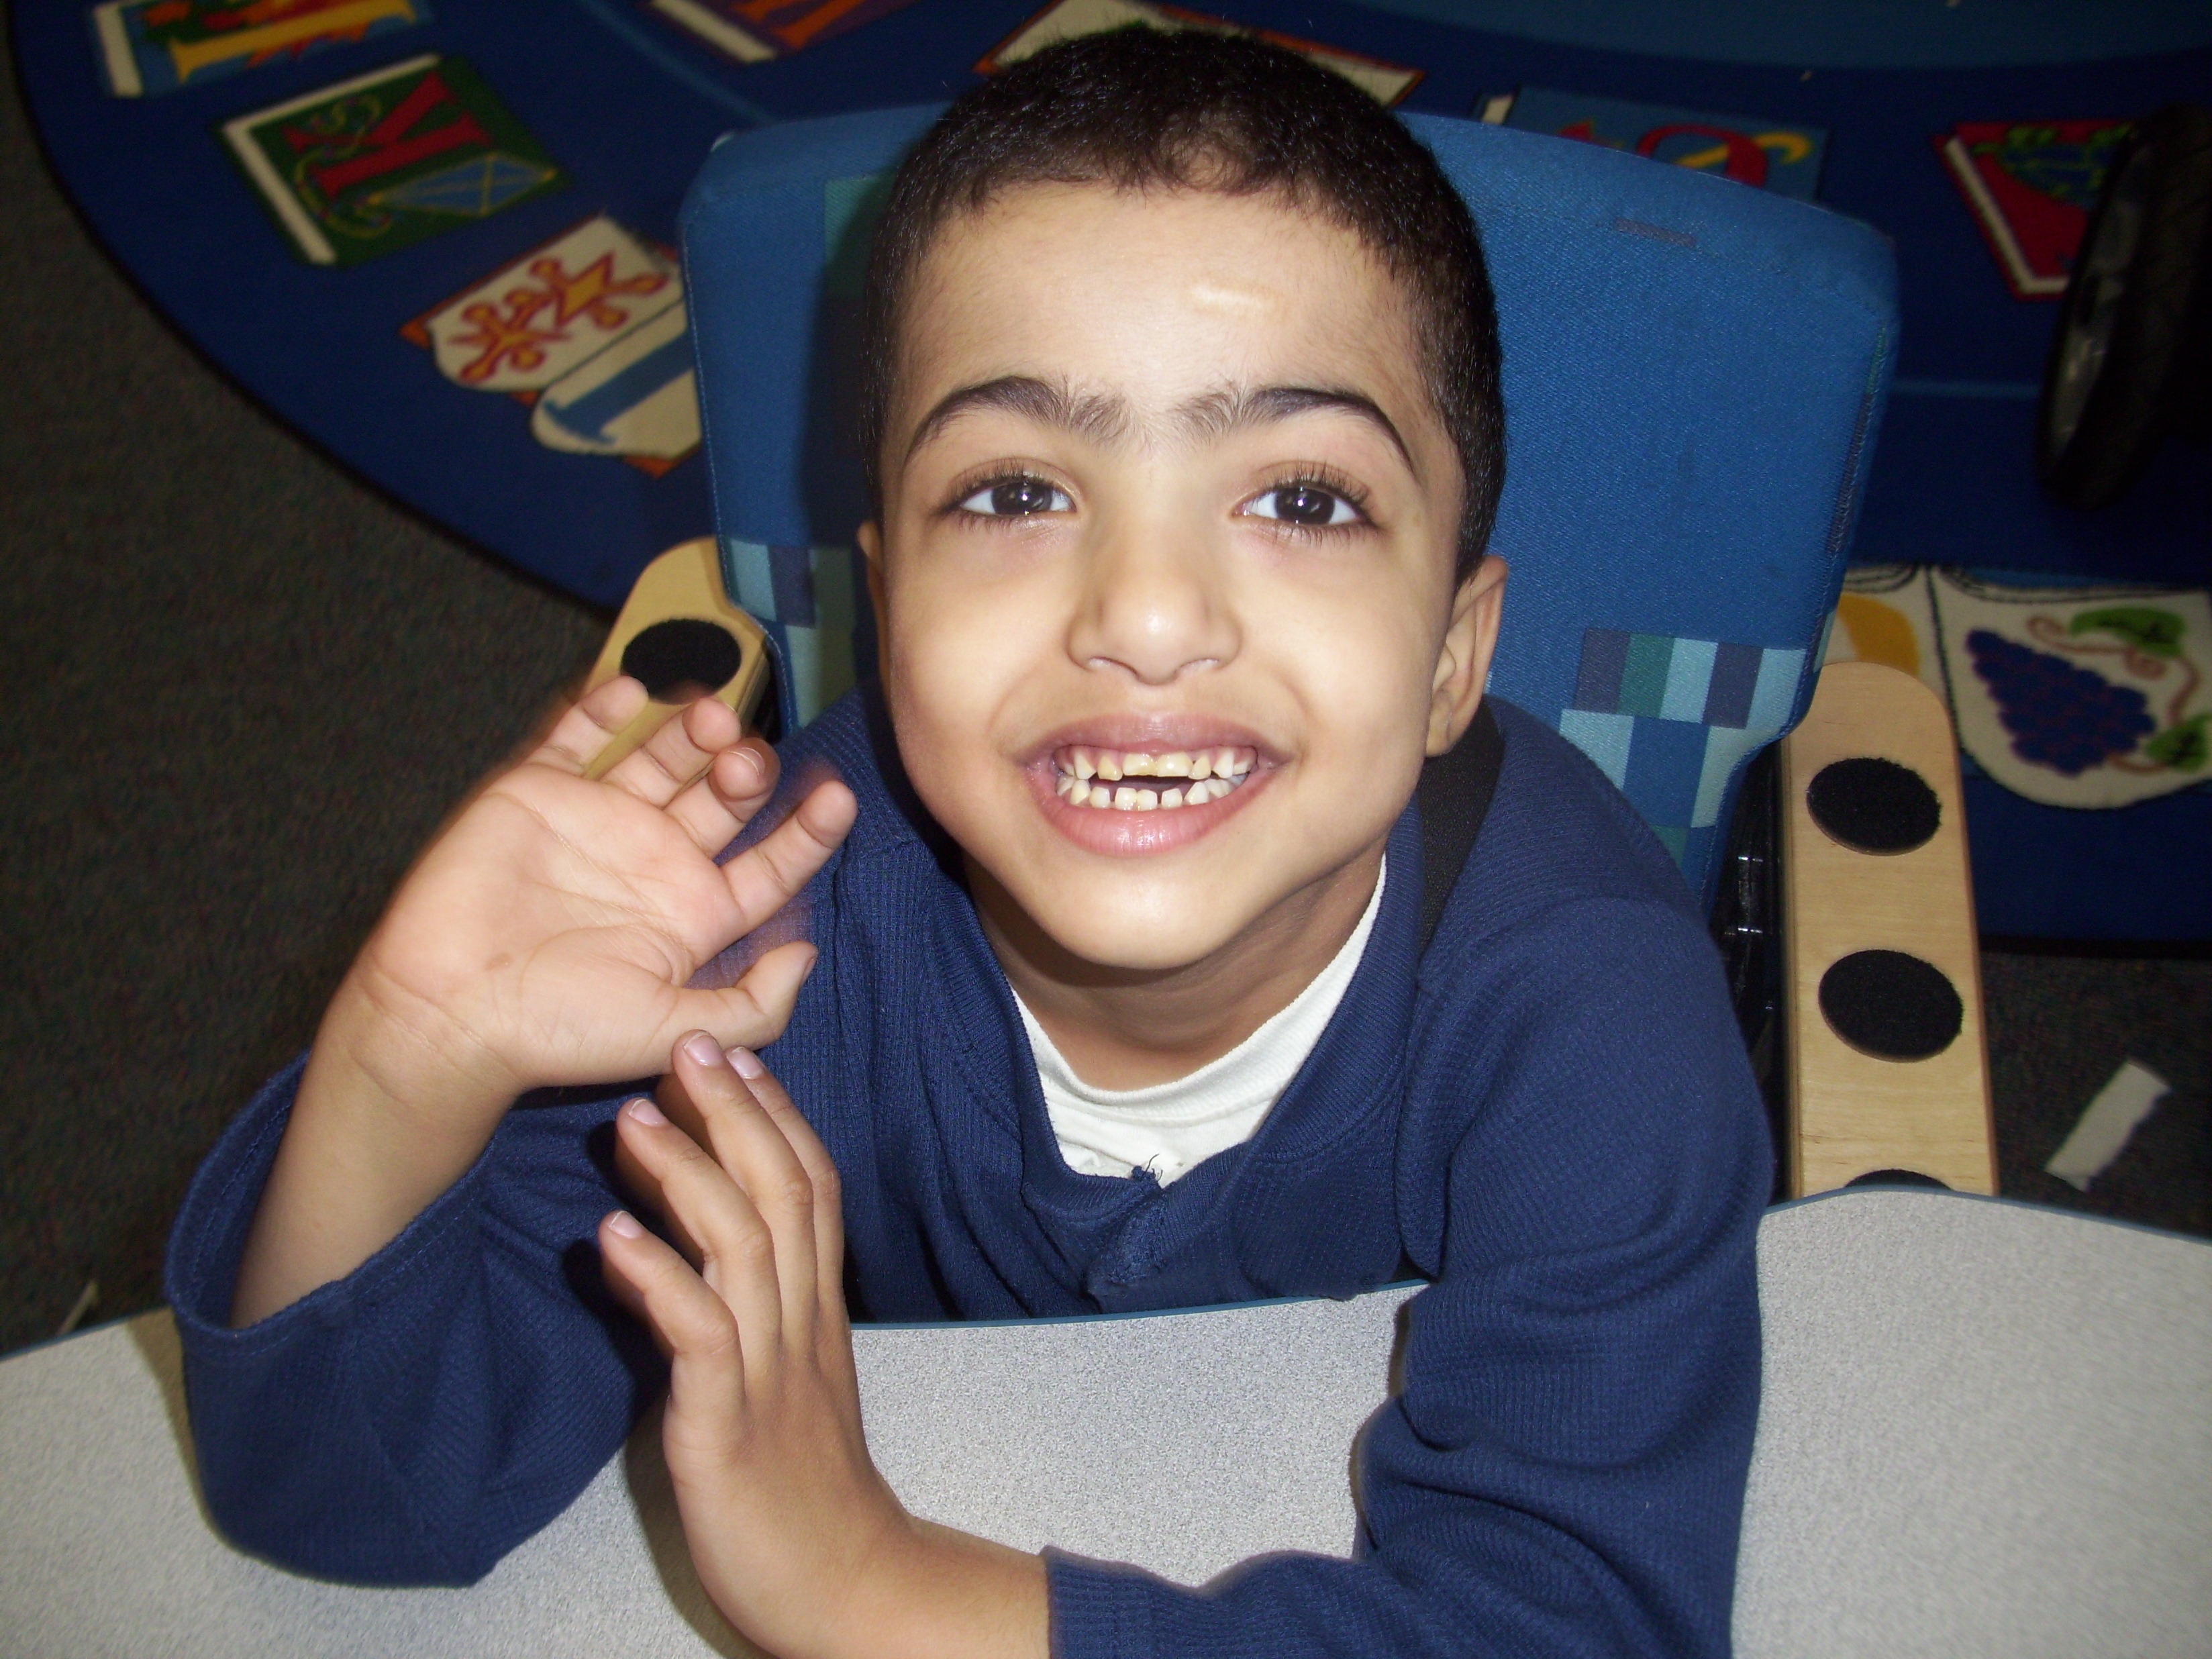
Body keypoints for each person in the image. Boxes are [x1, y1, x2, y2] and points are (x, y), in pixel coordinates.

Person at [167, 28, 1770, 1659]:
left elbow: (1577, 1626)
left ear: (1451, 657)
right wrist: (405, 1060)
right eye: (1013, 494)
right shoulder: (757, 946)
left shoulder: (1596, 1018)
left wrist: (872, 1586)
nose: (1146, 618)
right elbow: (354, 1503)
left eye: (1301, 499)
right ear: (890, 606)